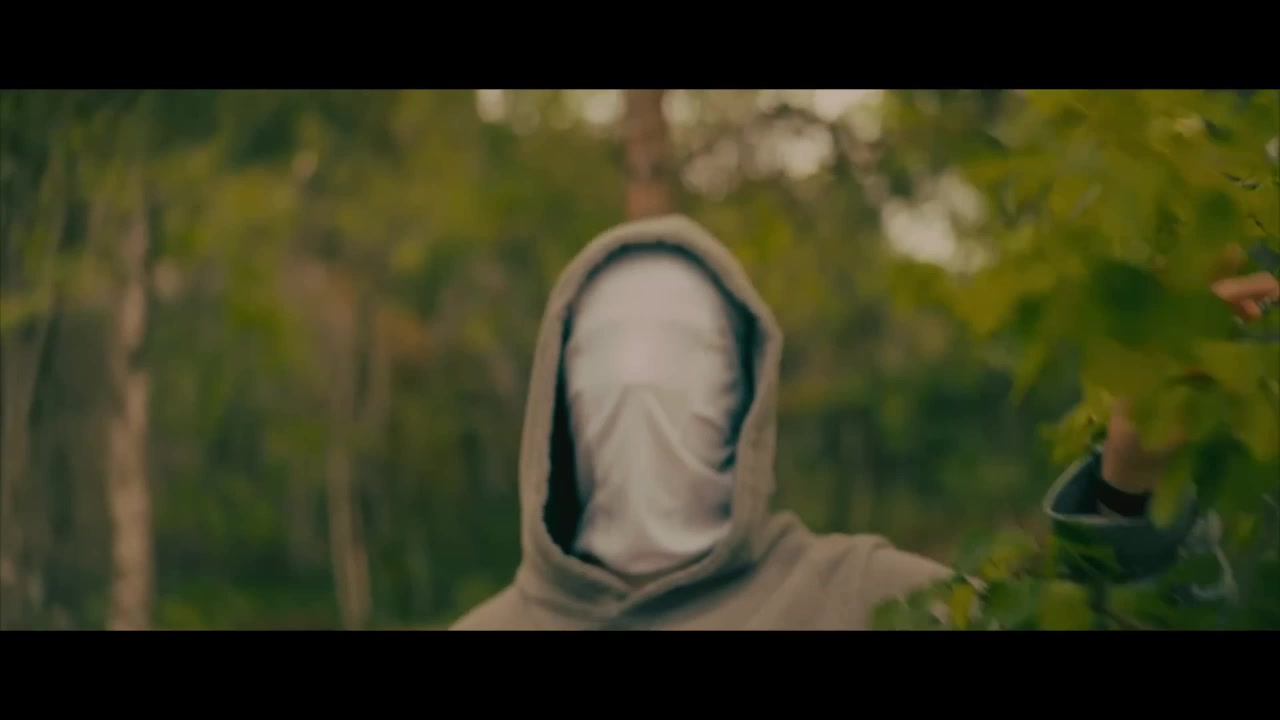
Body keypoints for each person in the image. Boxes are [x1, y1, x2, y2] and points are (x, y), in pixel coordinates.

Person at [450, 214, 1279, 630]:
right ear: (557, 386)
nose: (642, 377)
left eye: (687, 347)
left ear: (745, 387)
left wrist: (1132, 485)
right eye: (607, 348)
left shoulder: (866, 601)